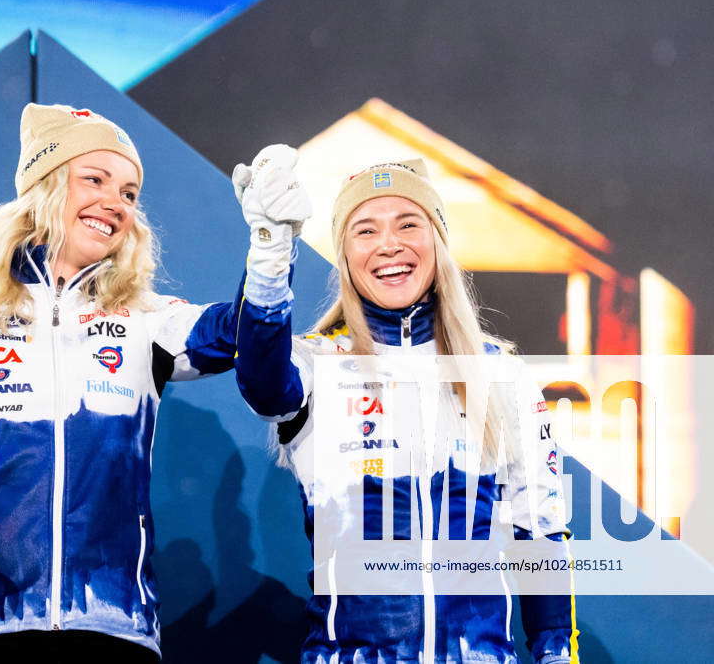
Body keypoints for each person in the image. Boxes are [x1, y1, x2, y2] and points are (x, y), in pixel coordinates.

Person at [0, 104, 243, 662]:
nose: (115, 203)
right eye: (94, 179)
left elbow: (247, 338)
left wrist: (270, 248)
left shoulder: (146, 318)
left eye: (130, 193)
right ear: (42, 187)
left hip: (114, 630)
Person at [231, 155, 579, 663]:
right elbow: (261, 381)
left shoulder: (500, 372)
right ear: (346, 256)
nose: (389, 245)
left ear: (437, 241)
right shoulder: (315, 363)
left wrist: (557, 656)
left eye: (408, 223)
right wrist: (270, 251)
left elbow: (540, 536)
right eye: (365, 230)